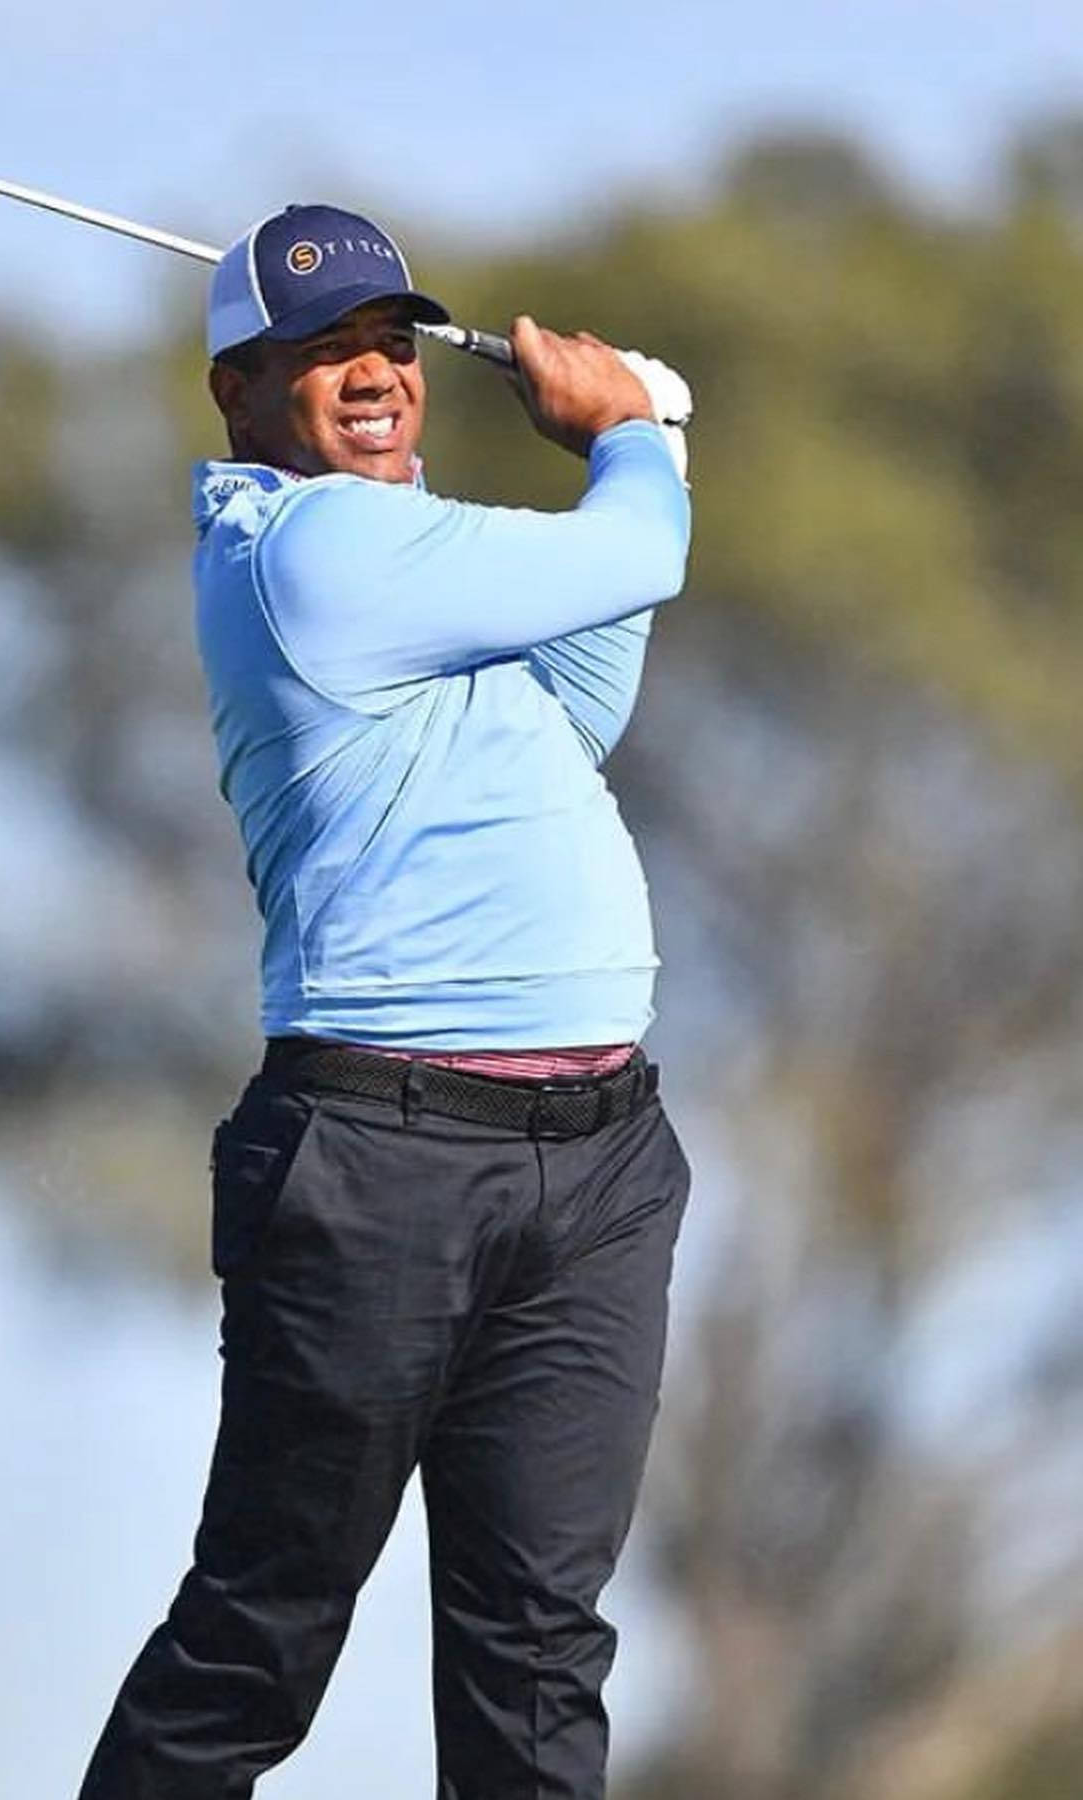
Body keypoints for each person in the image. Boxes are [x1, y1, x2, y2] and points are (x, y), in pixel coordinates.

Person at [77, 202, 693, 1800]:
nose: (373, 376)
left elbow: (586, 693)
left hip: (600, 1159)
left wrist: (653, 450)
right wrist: (627, 436)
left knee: (539, 1656)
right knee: (261, 1639)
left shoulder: (429, 575)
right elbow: (641, 551)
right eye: (322, 352)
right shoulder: (308, 552)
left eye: (391, 343)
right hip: (379, 1155)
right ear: (236, 393)